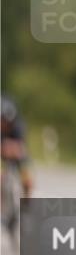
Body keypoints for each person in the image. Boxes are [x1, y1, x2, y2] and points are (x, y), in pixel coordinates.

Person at [1, 96, 33, 245]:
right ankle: (3, 210)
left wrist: (11, 148)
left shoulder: (19, 127)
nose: (5, 124)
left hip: (18, 156)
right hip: (3, 156)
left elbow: (21, 148)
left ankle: (26, 207)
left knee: (27, 180)